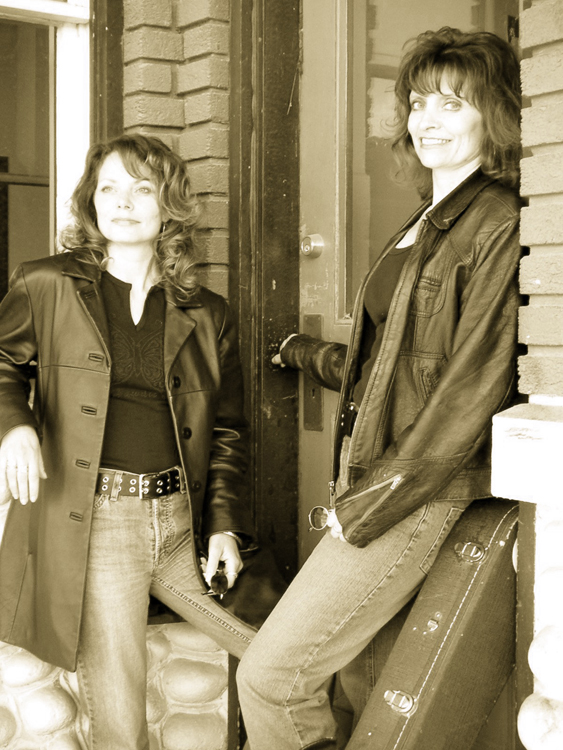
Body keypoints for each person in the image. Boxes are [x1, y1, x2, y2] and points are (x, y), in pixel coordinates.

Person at [237, 26, 522, 749]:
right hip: (373, 475)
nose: (427, 120)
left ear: (493, 115)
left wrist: (370, 503)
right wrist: (306, 354)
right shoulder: (429, 217)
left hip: (413, 491)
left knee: (271, 678)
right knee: (360, 686)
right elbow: (394, 361)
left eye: (452, 103)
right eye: (418, 102)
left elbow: (471, 386)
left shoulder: (496, 218)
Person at [0, 134, 261, 749]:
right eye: (109, 188)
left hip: (182, 523)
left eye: (142, 189)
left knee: (277, 654)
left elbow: (227, 429)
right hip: (101, 522)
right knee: (121, 714)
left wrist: (224, 525)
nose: (123, 202)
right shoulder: (47, 283)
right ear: (91, 201)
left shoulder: (209, 312)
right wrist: (15, 426)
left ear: (169, 206)